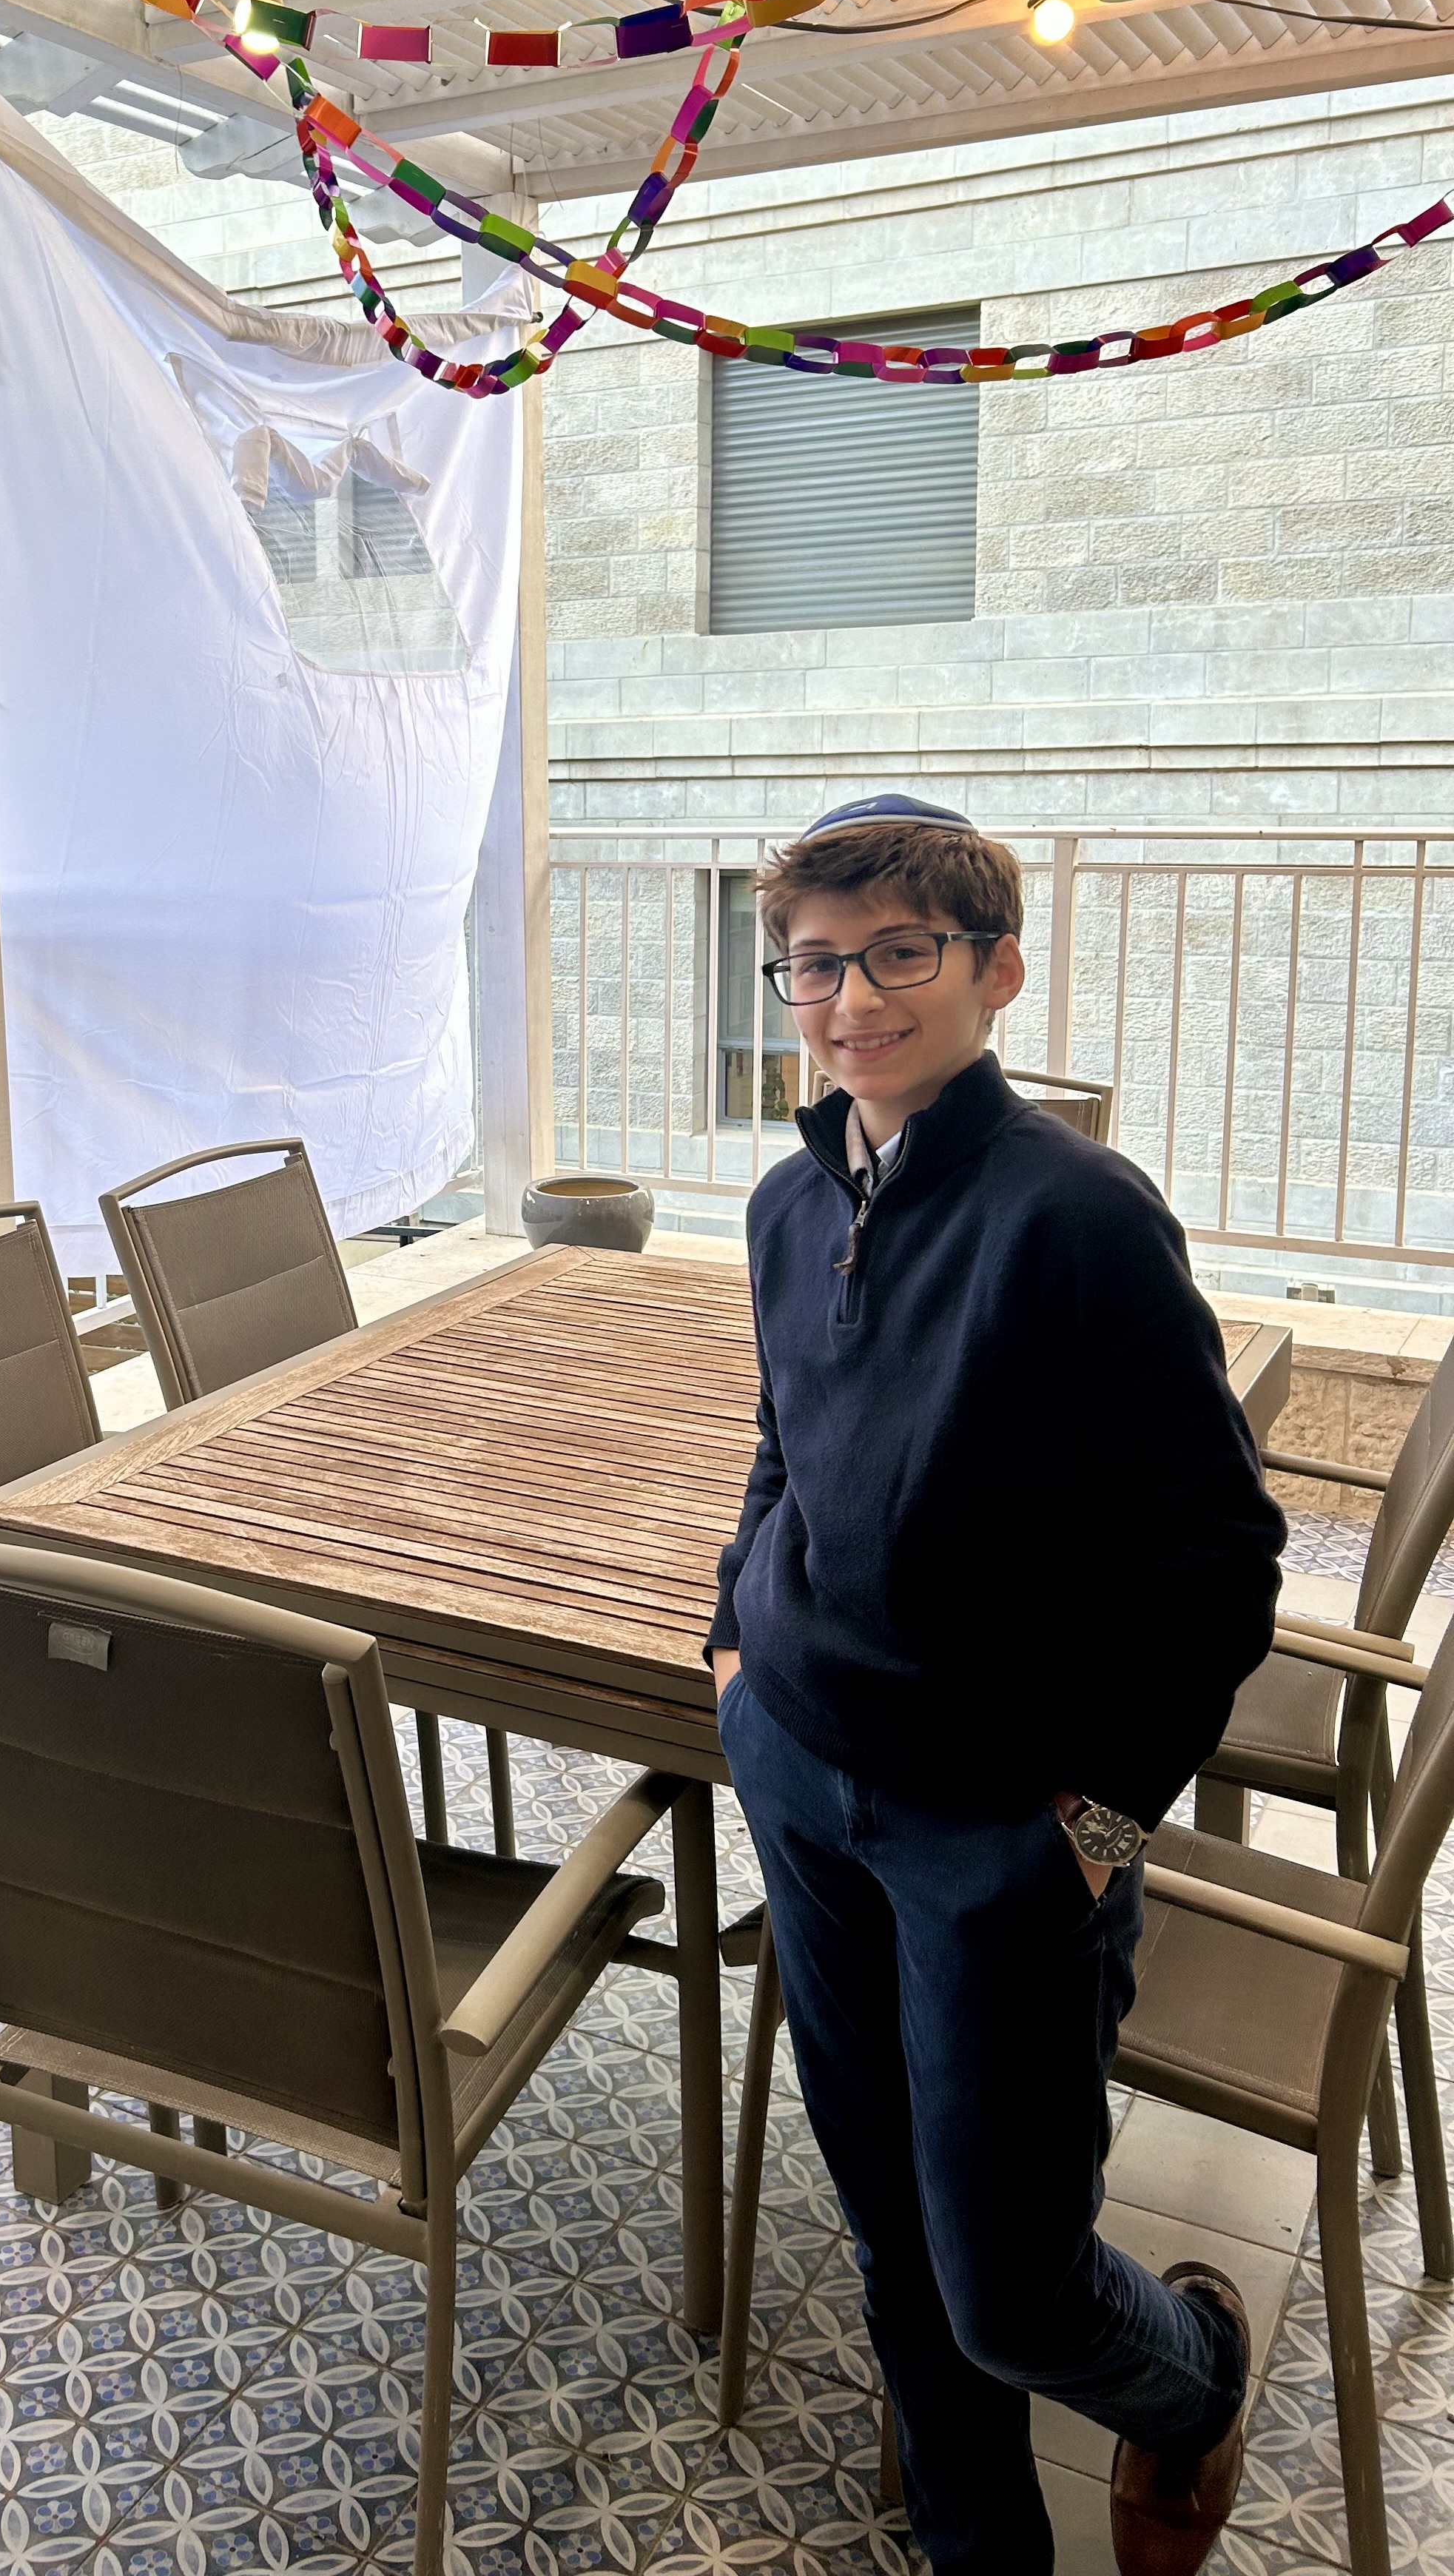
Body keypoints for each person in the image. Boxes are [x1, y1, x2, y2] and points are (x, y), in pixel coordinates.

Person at [707, 793, 1284, 2576]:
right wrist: (741, 1633)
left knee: (1014, 2289)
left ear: (994, 972)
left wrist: (1096, 1823)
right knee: (890, 2237)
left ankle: (1187, 2382)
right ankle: (979, 2548)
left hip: (997, 1834)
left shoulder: (1081, 1218)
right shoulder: (792, 1204)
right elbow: (781, 1441)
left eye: (901, 955)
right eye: (817, 963)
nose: (853, 998)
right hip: (801, 1775)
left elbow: (1217, 1560)